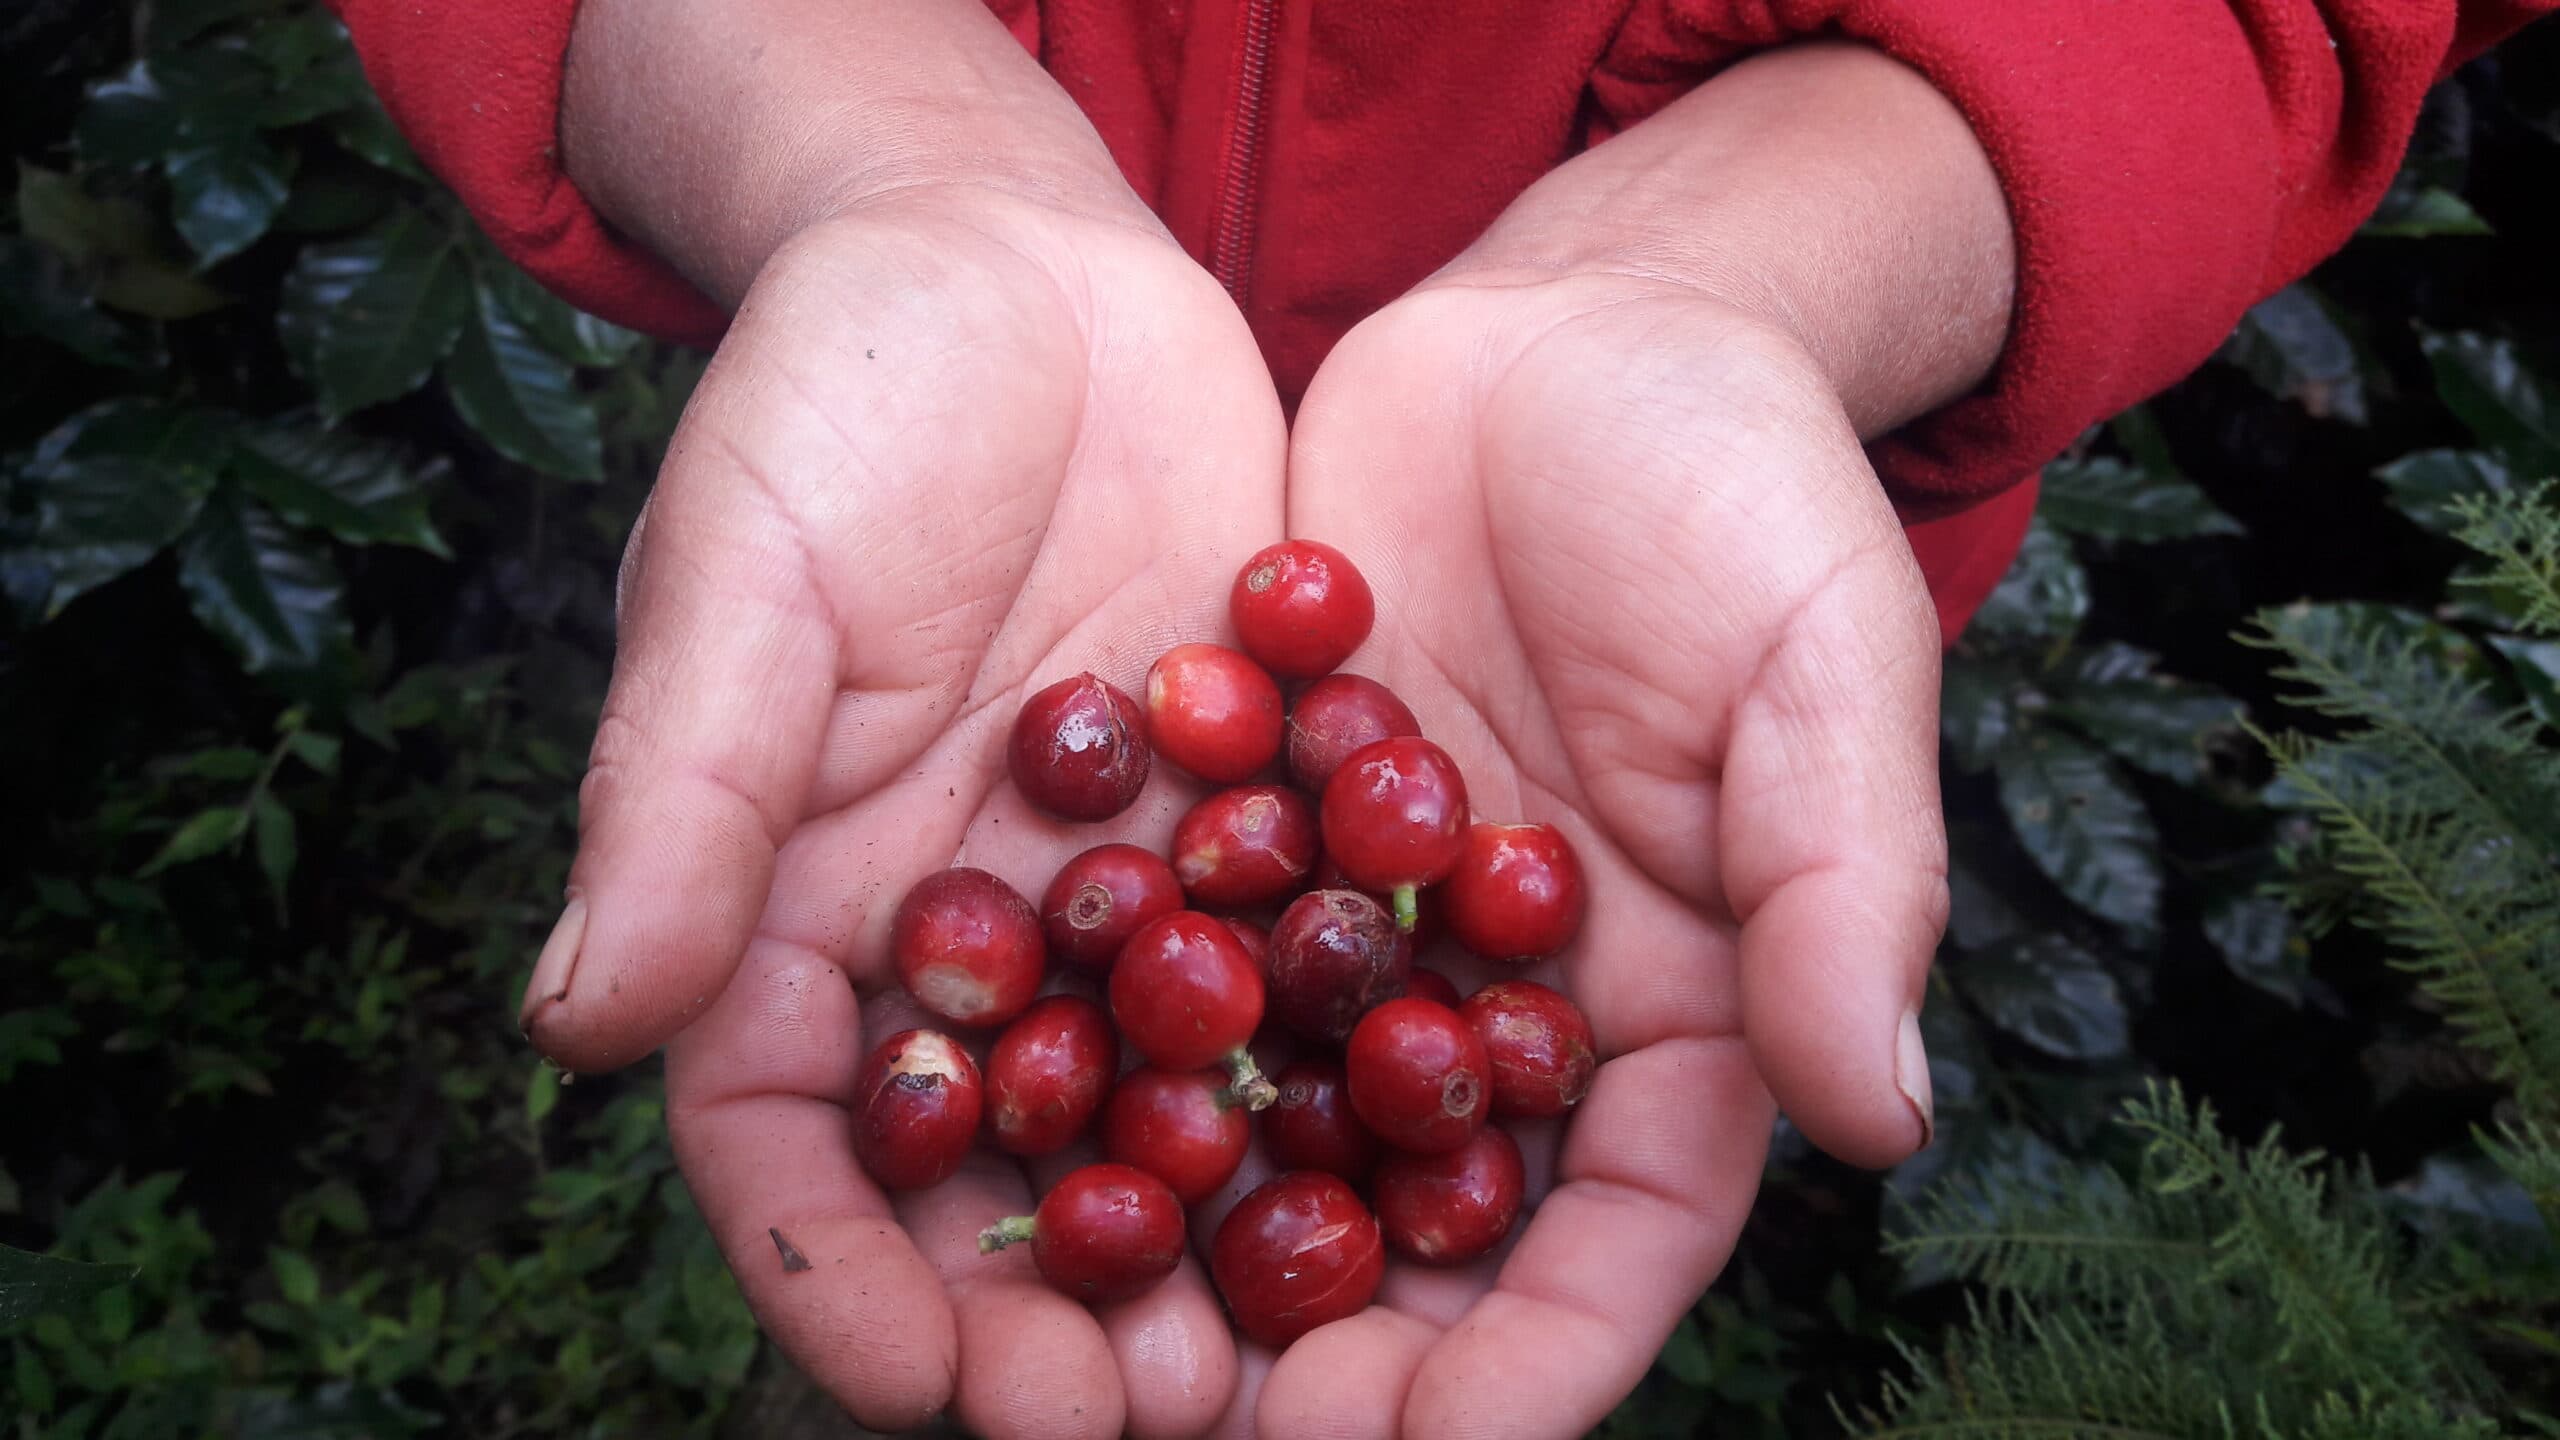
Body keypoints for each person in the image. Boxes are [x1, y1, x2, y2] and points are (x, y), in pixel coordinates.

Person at [331, 0, 2555, 1435]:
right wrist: (869, 146)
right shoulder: (1273, 900)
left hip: (1625, 628)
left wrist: (1775, 247)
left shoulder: (1318, 905)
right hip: (1025, 507)